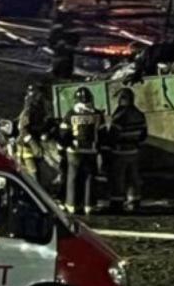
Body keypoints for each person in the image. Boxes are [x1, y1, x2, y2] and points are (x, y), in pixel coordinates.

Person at [104, 86, 148, 212]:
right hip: (134, 151)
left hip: (120, 152)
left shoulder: (119, 116)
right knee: (133, 178)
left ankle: (117, 203)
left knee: (118, 178)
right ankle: (134, 201)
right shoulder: (140, 114)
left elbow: (113, 135)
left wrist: (108, 149)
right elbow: (144, 134)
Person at [63, 87, 102, 215]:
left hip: (74, 151)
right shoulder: (96, 114)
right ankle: (89, 205)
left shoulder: (70, 114)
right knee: (89, 177)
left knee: (73, 178)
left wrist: (65, 145)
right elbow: (102, 133)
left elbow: (64, 133)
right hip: (91, 150)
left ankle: (72, 205)